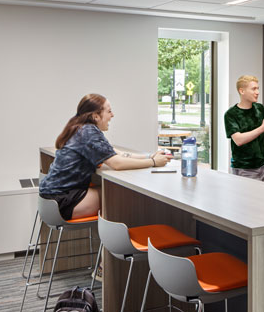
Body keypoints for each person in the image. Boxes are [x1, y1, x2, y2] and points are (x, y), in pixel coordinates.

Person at [39, 93, 169, 220]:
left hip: (50, 197)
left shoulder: (79, 128)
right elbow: (117, 163)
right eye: (109, 111)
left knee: (117, 193)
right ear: (95, 116)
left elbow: (115, 152)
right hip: (63, 200)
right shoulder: (88, 131)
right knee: (126, 195)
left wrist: (149, 156)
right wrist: (153, 162)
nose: (112, 115)